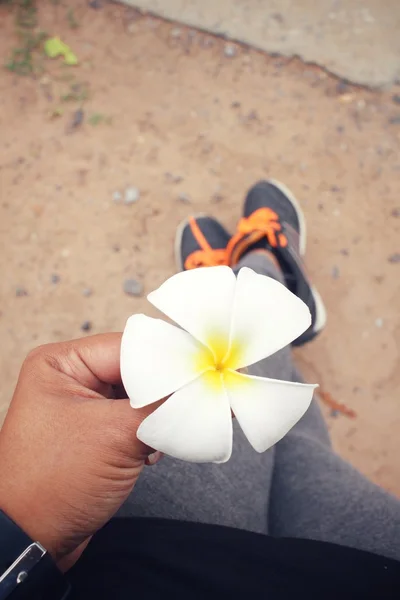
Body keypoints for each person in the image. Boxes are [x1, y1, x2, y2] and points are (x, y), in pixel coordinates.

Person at [0, 181, 399, 600]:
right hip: (365, 573)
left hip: (141, 564)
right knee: (298, 442)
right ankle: (265, 267)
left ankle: (246, 279)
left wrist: (20, 528)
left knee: (282, 426)